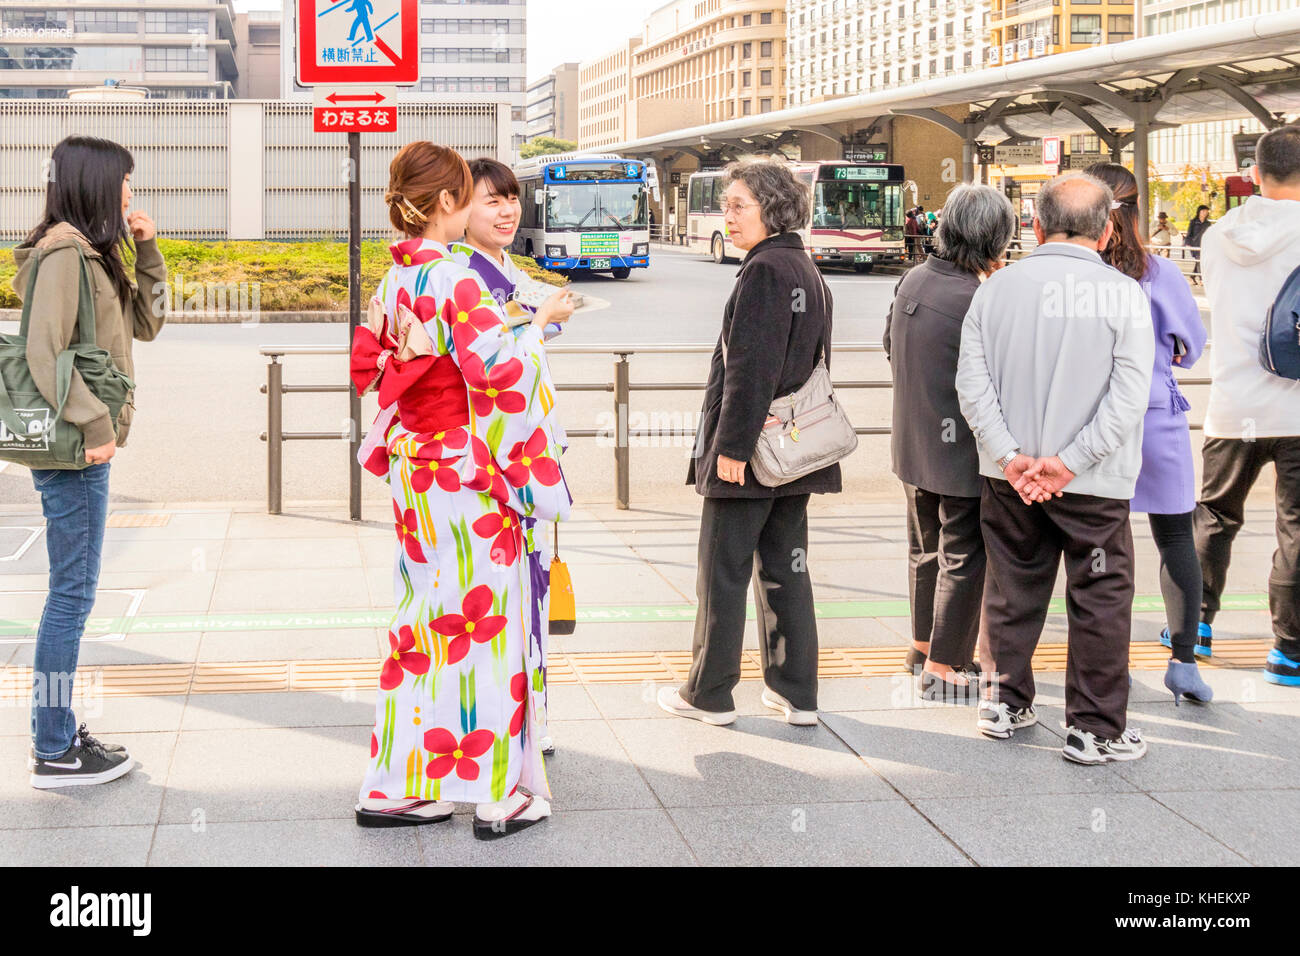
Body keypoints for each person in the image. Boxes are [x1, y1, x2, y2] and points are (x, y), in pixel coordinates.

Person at [350, 142, 571, 839]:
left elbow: (390, 372)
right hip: (470, 480)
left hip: (416, 469)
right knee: (490, 627)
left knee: (423, 624)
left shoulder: (396, 281)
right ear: (447, 203)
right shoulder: (456, 281)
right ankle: (503, 794)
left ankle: (399, 786)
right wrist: (533, 332)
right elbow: (501, 379)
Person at [956, 171, 1155, 764]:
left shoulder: (995, 289)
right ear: (1106, 230)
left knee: (1012, 582)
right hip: (1092, 482)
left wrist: (1010, 456)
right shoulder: (1124, 293)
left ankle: (1003, 700)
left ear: (1035, 225)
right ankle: (1093, 728)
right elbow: (1128, 396)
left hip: (1008, 478)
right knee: (1099, 592)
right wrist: (1068, 463)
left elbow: (972, 384)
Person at [660, 161, 840, 727]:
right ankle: (796, 691)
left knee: (723, 570)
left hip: (754, 452)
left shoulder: (764, 272)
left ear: (772, 207)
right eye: (727, 205)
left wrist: (731, 450)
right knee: (787, 568)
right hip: (793, 448)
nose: (726, 216)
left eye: (738, 205)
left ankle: (708, 693)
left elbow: (750, 371)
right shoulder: (802, 265)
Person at [12, 135, 167, 789]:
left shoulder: (96, 254)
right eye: (126, 181)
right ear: (98, 182)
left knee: (72, 594)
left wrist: (147, 247)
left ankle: (60, 732)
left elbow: (149, 323)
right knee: (70, 597)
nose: (131, 190)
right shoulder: (61, 255)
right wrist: (97, 424)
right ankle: (53, 748)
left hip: (87, 444)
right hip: (76, 447)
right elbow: (42, 355)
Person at [448, 157, 576, 756]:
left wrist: (540, 325)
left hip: (523, 449)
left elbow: (509, 348)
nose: (506, 210)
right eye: (490, 201)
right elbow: (487, 373)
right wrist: (541, 322)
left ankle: (530, 717)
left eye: (510, 199)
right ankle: (509, 724)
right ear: (456, 208)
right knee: (501, 598)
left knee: (530, 591)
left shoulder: (498, 269)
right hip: (495, 462)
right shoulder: (461, 274)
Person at [884, 184, 1017, 703]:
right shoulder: (979, 297)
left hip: (913, 442)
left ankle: (921, 646)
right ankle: (945, 664)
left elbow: (889, 348)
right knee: (963, 553)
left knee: (924, 549)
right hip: (960, 451)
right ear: (994, 238)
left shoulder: (915, 277)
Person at [1087, 162, 1213, 705]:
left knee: (1100, 540)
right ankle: (1184, 662)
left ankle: (1105, 662)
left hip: (1091, 420)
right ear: (1137, 208)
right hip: (1156, 413)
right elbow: (1193, 345)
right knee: (1175, 536)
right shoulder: (1159, 273)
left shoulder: (1079, 275)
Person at [1193, 124, 1300, 686]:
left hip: (1234, 404)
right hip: (1299, 412)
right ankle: (1288, 650)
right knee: (1297, 529)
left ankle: (1196, 626)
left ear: (1254, 174)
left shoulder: (1218, 235)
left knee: (1213, 516)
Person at [1185, 204, 1212, 286]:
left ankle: (1192, 277)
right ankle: (1201, 279)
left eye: (1206, 212)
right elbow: (1189, 234)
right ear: (1199, 212)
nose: (1205, 213)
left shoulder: (1208, 223)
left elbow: (1209, 235)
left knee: (1199, 261)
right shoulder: (1193, 222)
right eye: (1203, 211)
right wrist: (1188, 243)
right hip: (1195, 244)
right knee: (1199, 260)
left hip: (1204, 245)